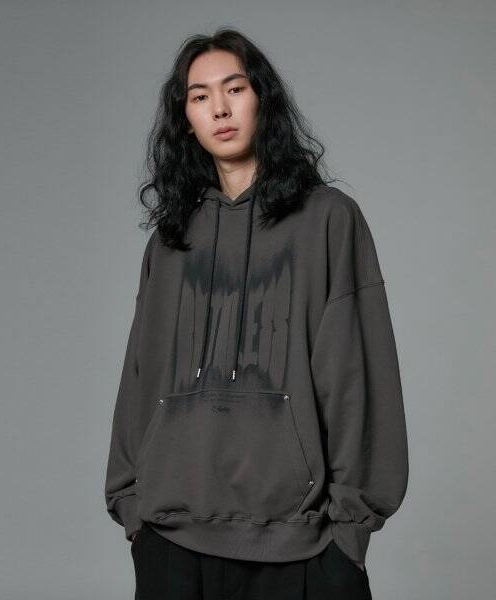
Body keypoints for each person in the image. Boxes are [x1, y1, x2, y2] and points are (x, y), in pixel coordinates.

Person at [104, 27, 409, 600]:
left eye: (235, 88)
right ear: (185, 119)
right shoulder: (170, 241)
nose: (219, 108)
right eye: (199, 96)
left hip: (303, 546)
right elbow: (139, 380)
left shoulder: (328, 220)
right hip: (171, 540)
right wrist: (130, 504)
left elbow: (356, 376)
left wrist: (350, 531)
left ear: (262, 98)